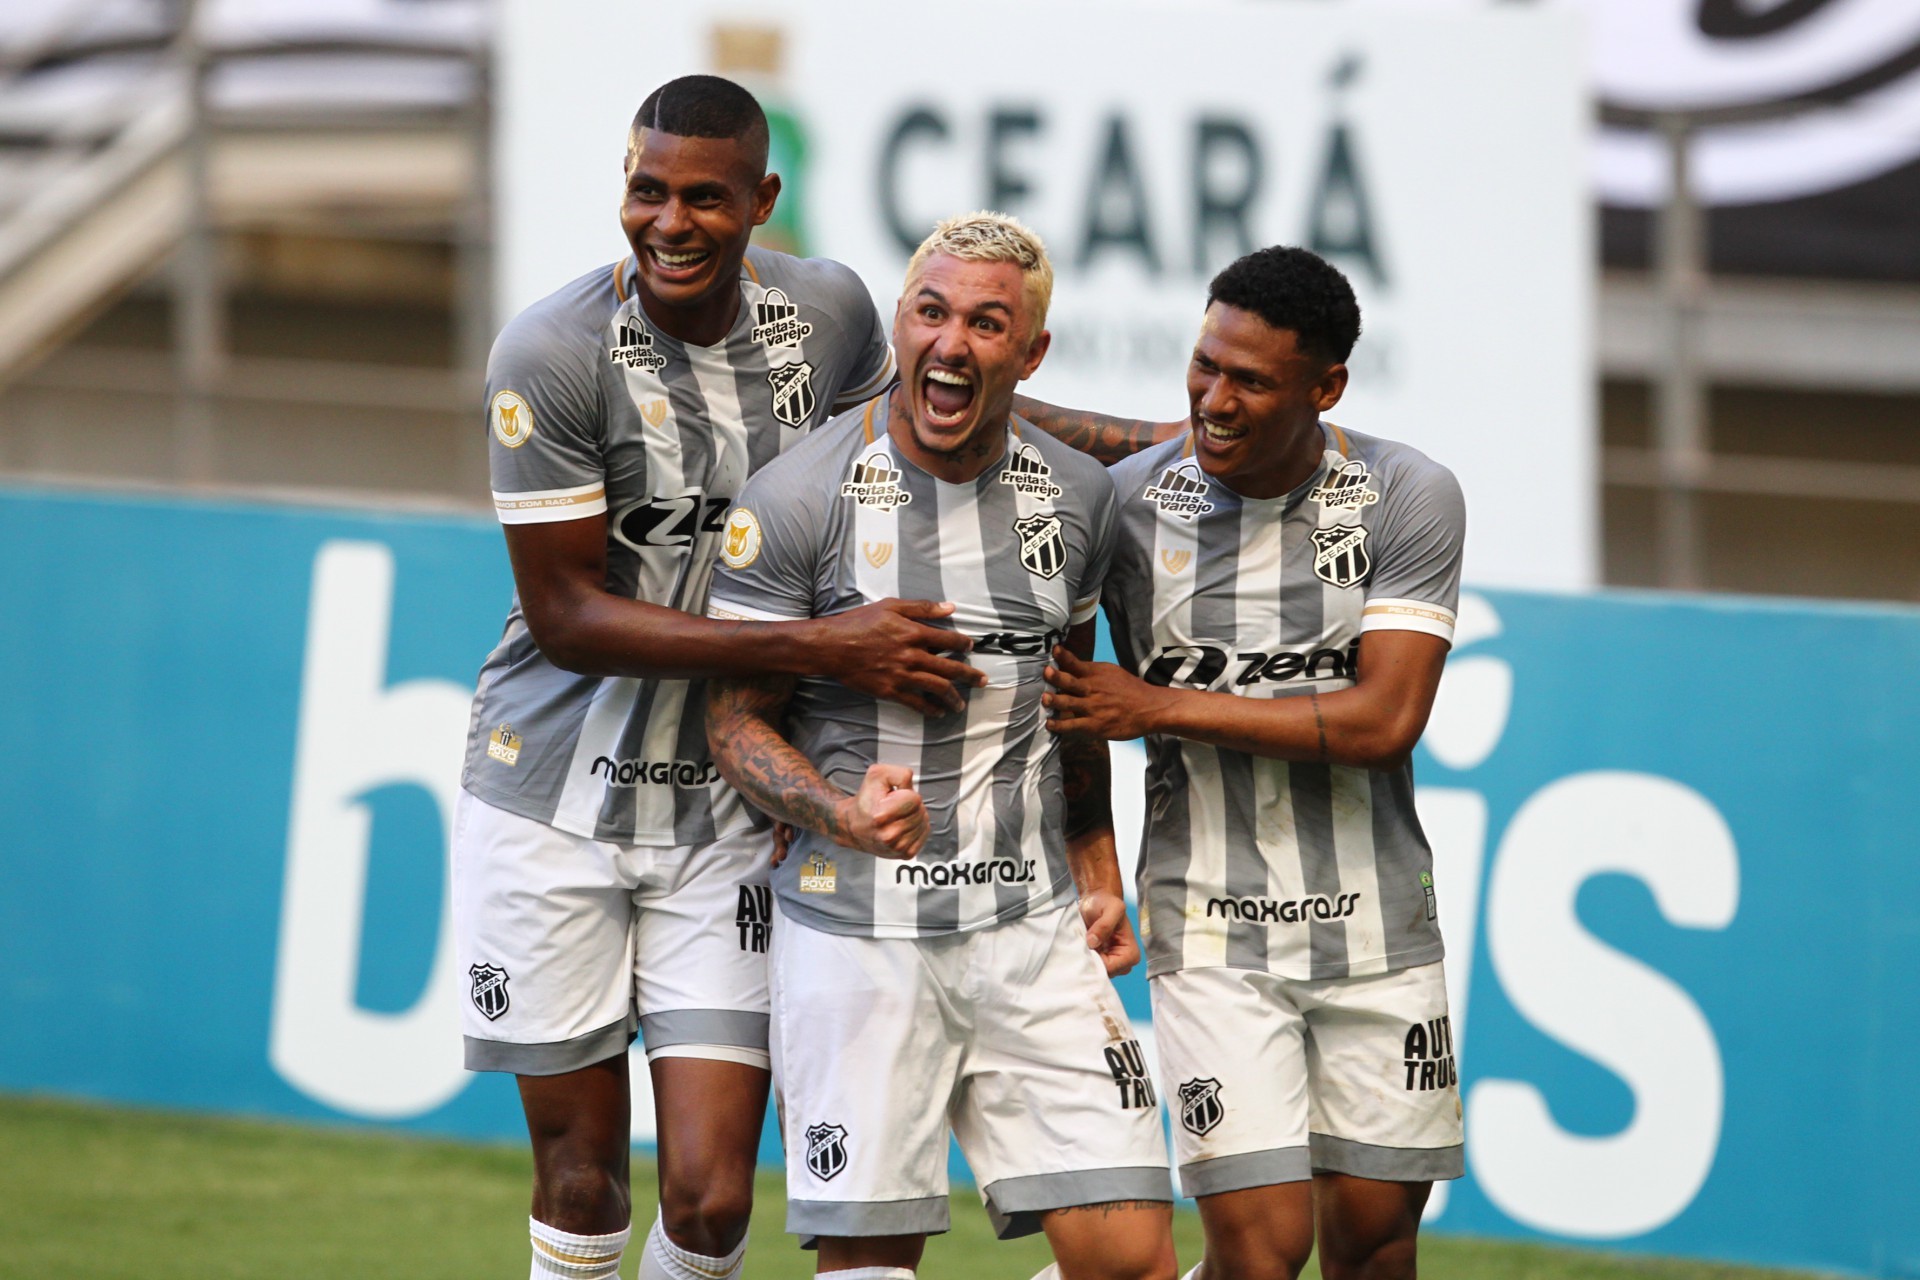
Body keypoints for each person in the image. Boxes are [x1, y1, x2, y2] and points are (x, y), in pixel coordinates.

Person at [455, 76, 986, 1280]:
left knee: (706, 1202)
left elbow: (930, 427)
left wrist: (1150, 446)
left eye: (706, 196)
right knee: (583, 1185)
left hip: (727, 809)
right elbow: (569, 616)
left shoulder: (833, 315)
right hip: (549, 795)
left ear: (763, 200)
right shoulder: (550, 351)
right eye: (649, 190)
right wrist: (812, 648)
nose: (672, 221)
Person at [703, 211, 1176, 1280]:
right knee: (871, 1268)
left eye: (987, 322)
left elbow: (1070, 696)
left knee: (1135, 1263)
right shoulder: (799, 498)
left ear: (1031, 352)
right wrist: (841, 814)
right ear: (901, 325)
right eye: (932, 312)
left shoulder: (1079, 497)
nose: (952, 343)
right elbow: (732, 719)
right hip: (857, 934)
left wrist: (1096, 860)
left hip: (1029, 928)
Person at [1042, 246, 1466, 1280]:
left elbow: (1384, 718)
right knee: (1263, 1247)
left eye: (1251, 381)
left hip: (1381, 930)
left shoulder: (1407, 494)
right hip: (1210, 928)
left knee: (1374, 1247)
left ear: (1326, 388)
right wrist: (1093, 864)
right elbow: (1069, 713)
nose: (1214, 399)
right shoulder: (1130, 507)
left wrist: (1159, 703)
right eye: (1204, 366)